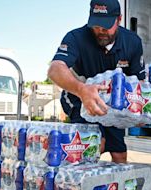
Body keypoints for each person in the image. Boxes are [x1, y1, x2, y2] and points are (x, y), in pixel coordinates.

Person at [47, 0, 145, 163]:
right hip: (78, 97)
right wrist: (81, 89)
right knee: (95, 144)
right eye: (96, 25)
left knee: (119, 153)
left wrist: (139, 110)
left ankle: (119, 188)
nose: (100, 31)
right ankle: (81, 184)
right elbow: (55, 69)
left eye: (106, 26)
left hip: (111, 103)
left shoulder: (133, 42)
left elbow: (138, 81)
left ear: (119, 19)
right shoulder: (75, 37)